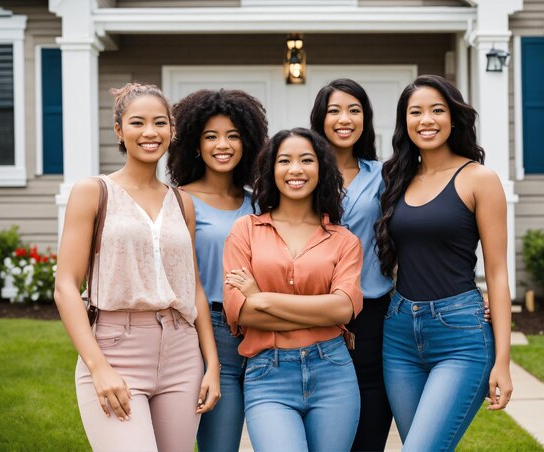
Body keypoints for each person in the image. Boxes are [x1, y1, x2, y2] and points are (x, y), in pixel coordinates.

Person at [54, 82, 220, 451]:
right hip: (116, 348)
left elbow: (192, 287)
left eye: (160, 123)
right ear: (119, 130)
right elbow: (65, 285)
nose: (150, 132)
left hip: (181, 352)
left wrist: (212, 364)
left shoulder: (183, 202)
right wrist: (98, 367)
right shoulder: (92, 192)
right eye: (137, 123)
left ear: (172, 131)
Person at [376, 74, 513, 451]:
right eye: (415, 112)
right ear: (405, 122)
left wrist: (502, 359)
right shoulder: (397, 178)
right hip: (399, 334)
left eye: (437, 110)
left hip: (460, 335)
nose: (427, 120)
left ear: (453, 117)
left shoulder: (479, 179)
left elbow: (498, 274)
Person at [223, 128, 363, 452]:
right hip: (267, 376)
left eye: (306, 160)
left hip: (333, 374)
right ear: (271, 170)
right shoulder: (245, 230)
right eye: (285, 160)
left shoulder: (344, 240)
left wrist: (261, 298)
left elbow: (343, 309)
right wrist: (320, 314)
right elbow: (239, 311)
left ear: (321, 169)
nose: (295, 169)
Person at [166, 88, 268, 452]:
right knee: (220, 445)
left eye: (233, 136)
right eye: (211, 136)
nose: (222, 145)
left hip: (265, 331)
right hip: (209, 331)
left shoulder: (260, 202)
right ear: (196, 144)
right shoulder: (178, 200)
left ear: (248, 143)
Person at [310, 78, 394, 451]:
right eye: (334, 110)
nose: (344, 119)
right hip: (311, 311)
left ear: (366, 119)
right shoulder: (301, 172)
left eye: (354, 110)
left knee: (371, 417)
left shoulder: (385, 176)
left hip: (373, 312)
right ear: (320, 119)